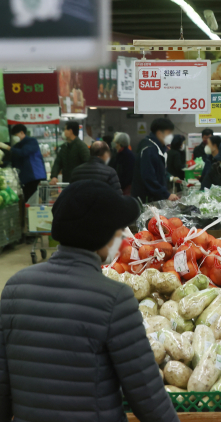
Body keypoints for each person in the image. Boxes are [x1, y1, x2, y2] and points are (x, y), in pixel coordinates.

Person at [0, 180, 179, 422]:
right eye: (118, 230)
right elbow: (147, 396)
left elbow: (3, 385)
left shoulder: (15, 287)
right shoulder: (115, 298)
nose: (122, 236)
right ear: (103, 234)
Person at [131, 118, 179, 202]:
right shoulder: (148, 150)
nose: (171, 136)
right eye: (169, 133)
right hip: (146, 199)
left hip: (155, 198)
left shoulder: (159, 148)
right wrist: (166, 194)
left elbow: (159, 171)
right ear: (159, 133)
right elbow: (148, 178)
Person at [0, 124, 46, 201]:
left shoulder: (31, 141)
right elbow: (12, 160)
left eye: (15, 135)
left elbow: (23, 152)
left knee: (35, 200)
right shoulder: (17, 146)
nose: (14, 137)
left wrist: (7, 147)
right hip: (25, 179)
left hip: (35, 177)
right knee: (27, 200)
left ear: (22, 133)